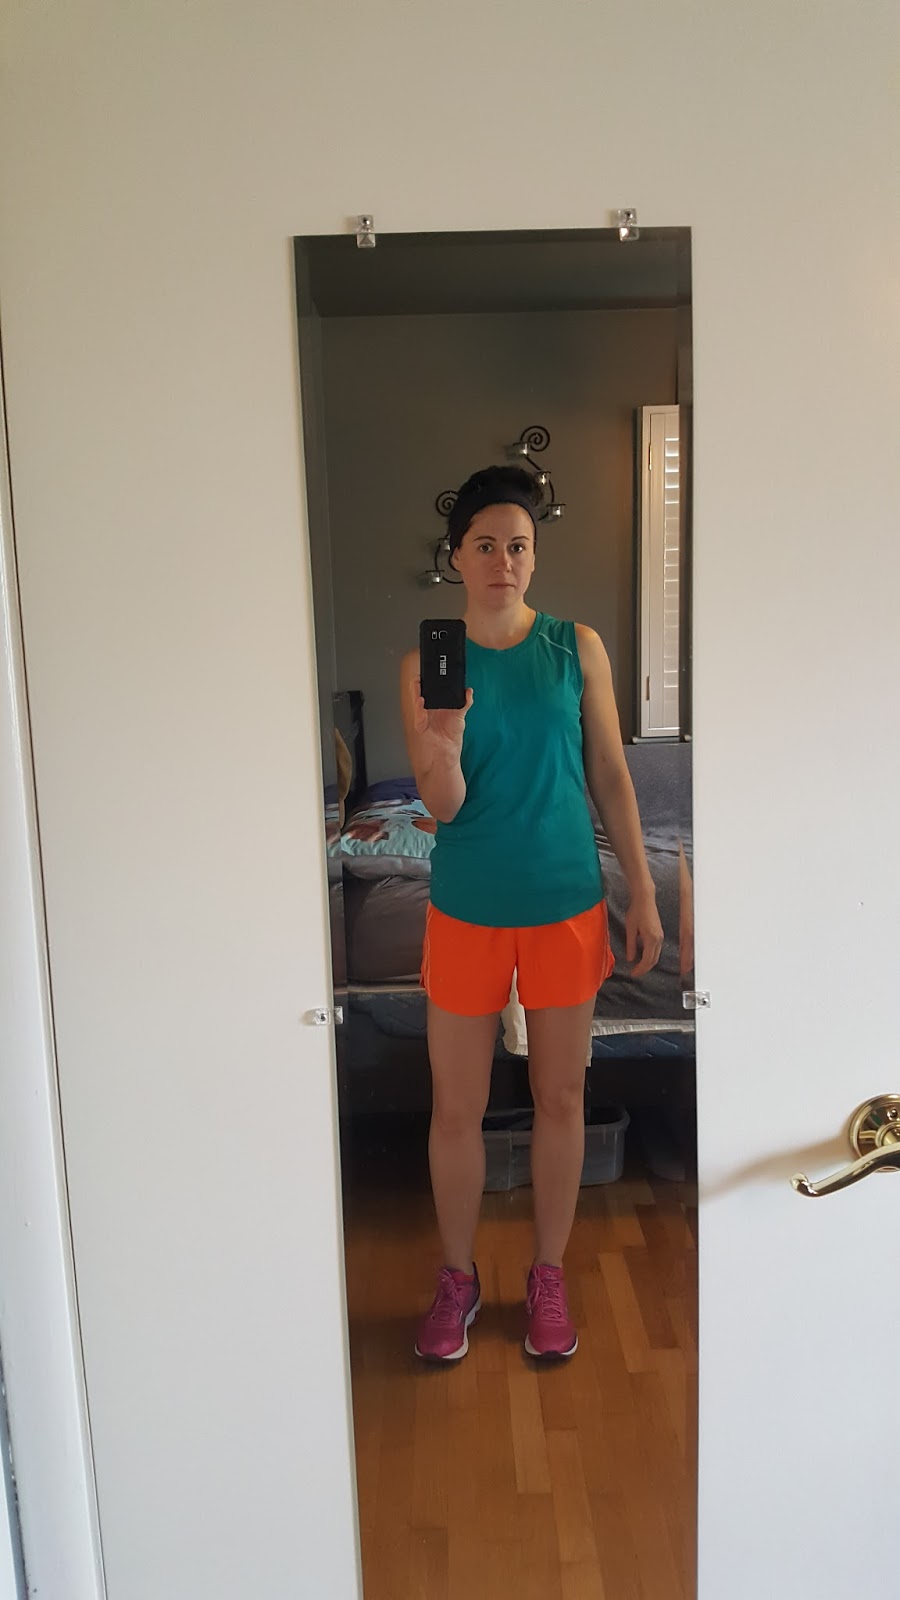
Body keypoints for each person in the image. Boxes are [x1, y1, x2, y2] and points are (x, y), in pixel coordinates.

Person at [400, 465, 664, 1362]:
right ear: (457, 557)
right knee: (455, 1108)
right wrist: (443, 743)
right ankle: (457, 1279)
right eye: (485, 545)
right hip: (467, 905)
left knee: (560, 1096)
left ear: (533, 556)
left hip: (564, 902)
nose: (502, 561)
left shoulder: (575, 646)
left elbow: (610, 774)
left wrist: (643, 887)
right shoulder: (429, 661)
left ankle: (548, 1275)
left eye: (518, 546)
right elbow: (441, 804)